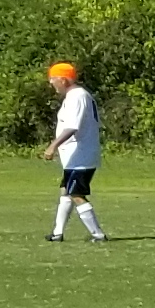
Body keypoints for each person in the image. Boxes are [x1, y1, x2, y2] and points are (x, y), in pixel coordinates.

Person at [45, 61, 106, 242]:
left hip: (81, 155)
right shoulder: (75, 96)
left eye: (53, 79)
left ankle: (98, 234)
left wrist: (53, 145)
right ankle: (57, 233)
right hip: (75, 156)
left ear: (63, 80)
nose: (51, 83)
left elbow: (72, 127)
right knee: (66, 191)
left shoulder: (77, 97)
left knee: (76, 194)